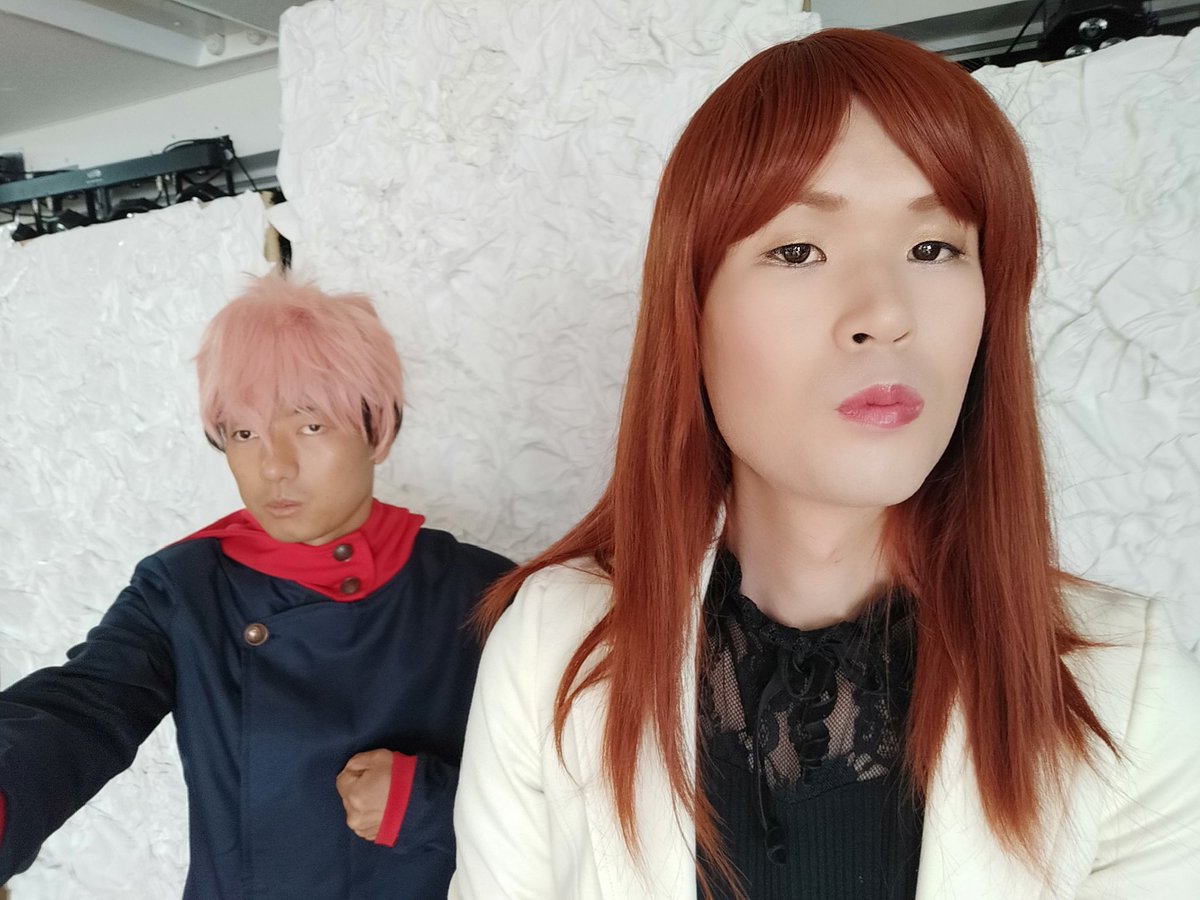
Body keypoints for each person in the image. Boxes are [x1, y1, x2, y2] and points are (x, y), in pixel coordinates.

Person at [449, 28, 1200, 900]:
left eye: (934, 249)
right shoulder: (553, 649)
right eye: (798, 250)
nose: (885, 313)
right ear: (692, 310)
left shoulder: (1125, 690)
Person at [0, 275, 512, 898]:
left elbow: (576, 794)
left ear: (378, 430)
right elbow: (78, 709)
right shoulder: (185, 589)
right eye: (244, 433)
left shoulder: (487, 591)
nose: (274, 465)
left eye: (310, 426)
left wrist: (427, 805)